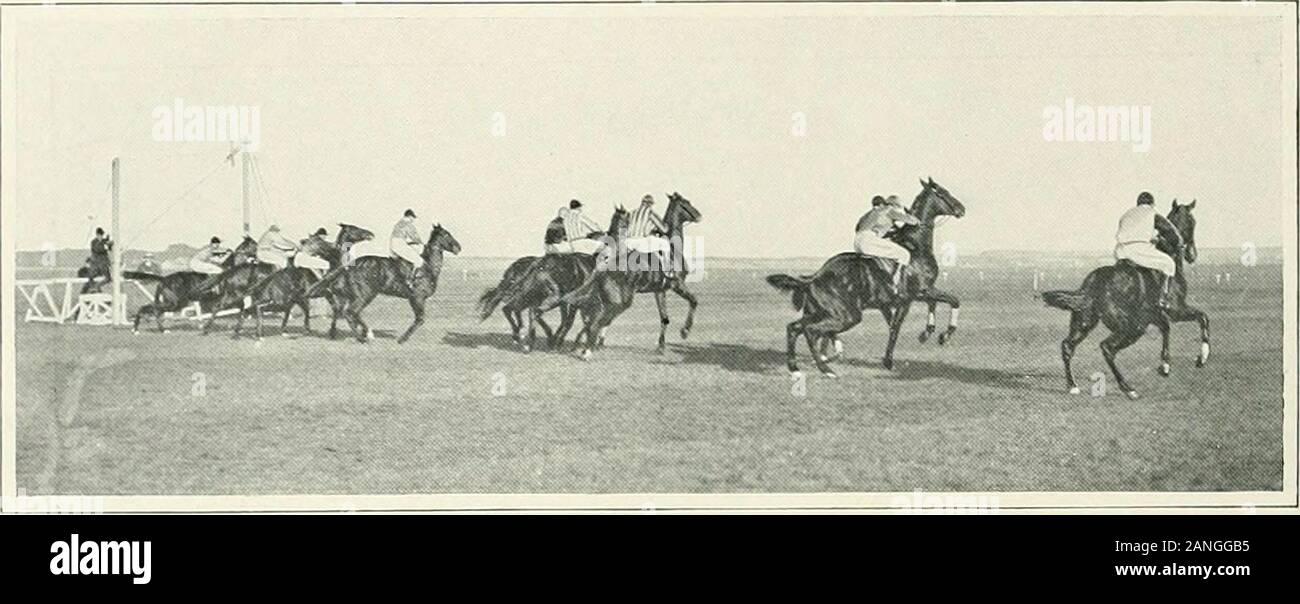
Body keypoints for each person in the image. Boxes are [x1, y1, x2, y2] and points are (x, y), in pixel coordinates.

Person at [1114, 191, 1180, 309]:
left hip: (1120, 251)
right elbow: (1170, 230)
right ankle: (1163, 299)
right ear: (1151, 204)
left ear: (1138, 203)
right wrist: (1177, 241)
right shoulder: (1151, 213)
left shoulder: (1127, 214)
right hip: (1139, 250)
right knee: (1169, 264)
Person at [854, 194, 919, 295]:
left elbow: (857, 227)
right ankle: (895, 284)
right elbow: (911, 221)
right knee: (904, 254)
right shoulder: (888, 210)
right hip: (869, 239)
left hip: (857, 241)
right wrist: (916, 219)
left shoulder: (867, 214)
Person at [626, 194, 674, 274]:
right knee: (665, 243)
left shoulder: (632, 213)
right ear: (650, 204)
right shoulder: (650, 213)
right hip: (641, 242)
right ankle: (667, 270)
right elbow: (664, 229)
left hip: (628, 243)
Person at [390, 209, 424, 288]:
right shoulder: (408, 224)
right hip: (399, 244)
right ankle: (410, 280)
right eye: (413, 218)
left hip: (393, 243)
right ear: (409, 216)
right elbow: (415, 236)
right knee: (419, 261)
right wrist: (421, 243)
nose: (413, 220)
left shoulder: (399, 223)